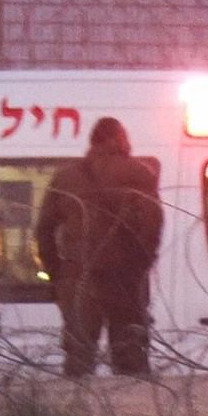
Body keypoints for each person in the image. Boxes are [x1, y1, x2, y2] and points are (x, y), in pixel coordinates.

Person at [35, 116, 165, 377]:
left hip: (79, 278)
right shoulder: (138, 174)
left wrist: (57, 274)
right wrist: (140, 265)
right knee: (130, 360)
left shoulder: (66, 177)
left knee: (79, 363)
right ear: (116, 139)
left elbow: (43, 230)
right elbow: (153, 223)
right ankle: (132, 415)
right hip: (123, 279)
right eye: (125, 136)